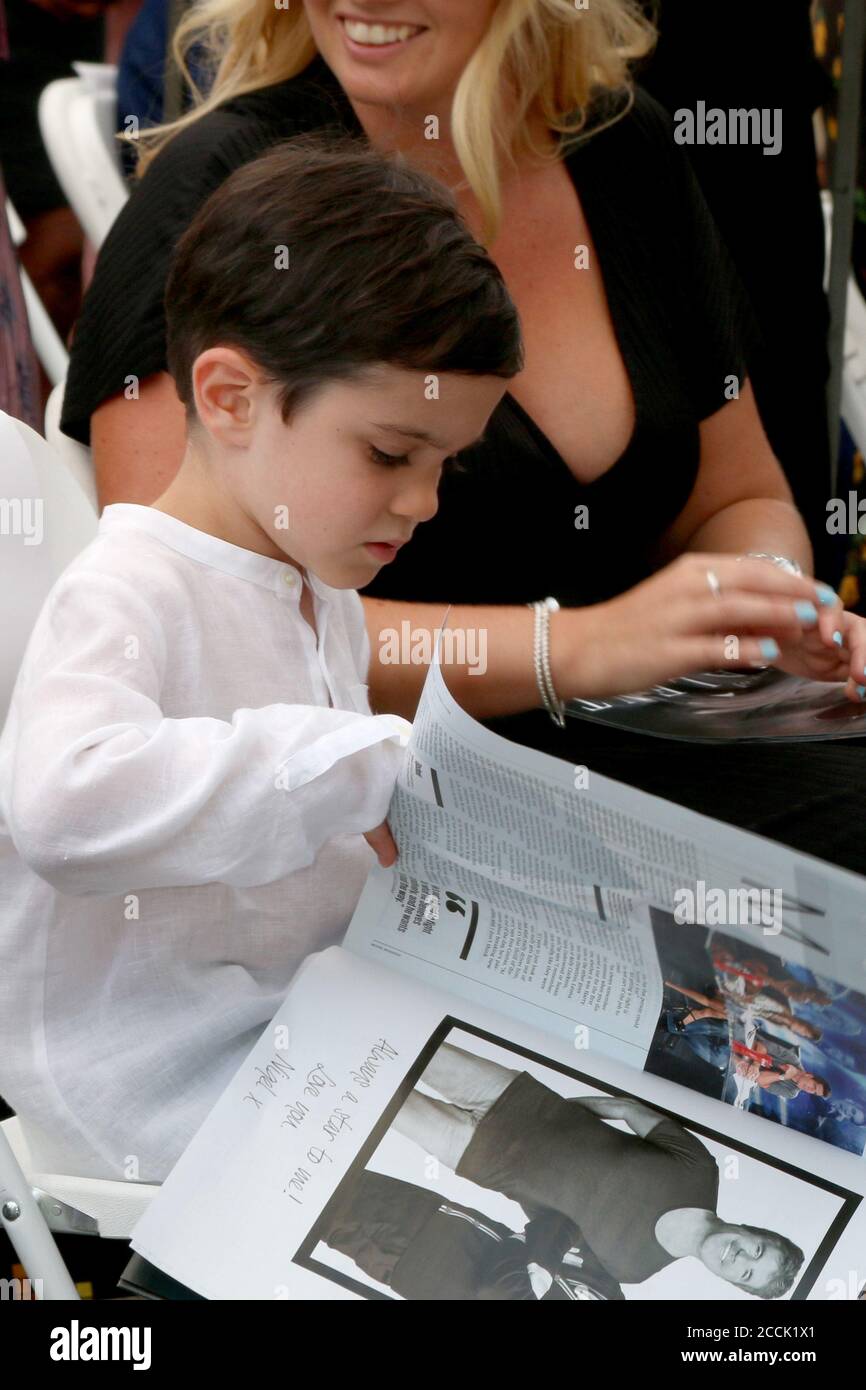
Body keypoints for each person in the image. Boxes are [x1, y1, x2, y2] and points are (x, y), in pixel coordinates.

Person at [56, 1, 866, 875]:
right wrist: (579, 649)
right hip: (391, 800)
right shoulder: (224, 191)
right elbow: (207, 619)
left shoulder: (619, 145)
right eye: (388, 453)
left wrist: (766, 611)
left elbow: (737, 497)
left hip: (680, 734)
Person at [0, 136, 521, 1182]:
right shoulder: (129, 586)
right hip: (157, 1080)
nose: (422, 501)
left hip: (307, 1024)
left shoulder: (317, 585)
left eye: (443, 466)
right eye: (388, 453)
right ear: (231, 397)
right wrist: (345, 763)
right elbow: (61, 806)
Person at [391, 1043, 803, 1296]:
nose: (740, 1257)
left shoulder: (633, 1270)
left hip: (476, 1157)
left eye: (747, 1272)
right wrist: (553, 1112)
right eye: (758, 1249)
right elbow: (625, 1109)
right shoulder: (701, 1171)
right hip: (515, 1100)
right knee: (407, 1039)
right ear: (754, 1232)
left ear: (731, 1282)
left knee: (381, 1089)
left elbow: (549, 1231)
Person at [319, 1167, 625, 1300]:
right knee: (323, 1168)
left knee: (308, 1202)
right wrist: (535, 1268)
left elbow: (497, 1291)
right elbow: (565, 1221)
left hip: (401, 1273)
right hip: (428, 1223)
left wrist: (534, 1262)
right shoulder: (607, 1289)